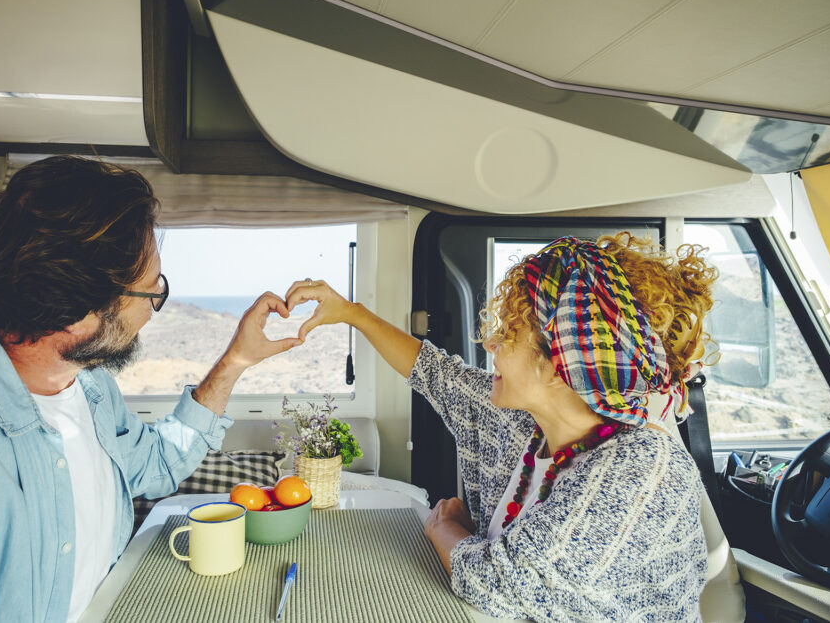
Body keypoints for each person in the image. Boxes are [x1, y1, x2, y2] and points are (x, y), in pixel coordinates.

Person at [0, 156, 301, 621]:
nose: (154, 308)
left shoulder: (87, 383)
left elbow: (159, 464)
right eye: (150, 292)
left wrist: (236, 360)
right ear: (74, 310)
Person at [285, 233, 717, 620]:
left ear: (557, 365)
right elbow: (431, 369)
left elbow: (500, 580)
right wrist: (351, 313)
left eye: (509, 333)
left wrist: (443, 528)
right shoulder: (520, 423)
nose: (490, 343)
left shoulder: (641, 470)